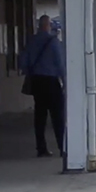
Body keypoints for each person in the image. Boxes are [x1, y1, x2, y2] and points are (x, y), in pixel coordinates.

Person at [19, 15, 66, 157]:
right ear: (48, 25)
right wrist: (64, 80)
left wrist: (31, 72)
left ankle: (41, 147)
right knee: (57, 116)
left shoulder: (31, 41)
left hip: (37, 81)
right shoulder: (54, 42)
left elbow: (23, 62)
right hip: (51, 82)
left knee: (40, 115)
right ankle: (62, 147)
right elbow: (60, 63)